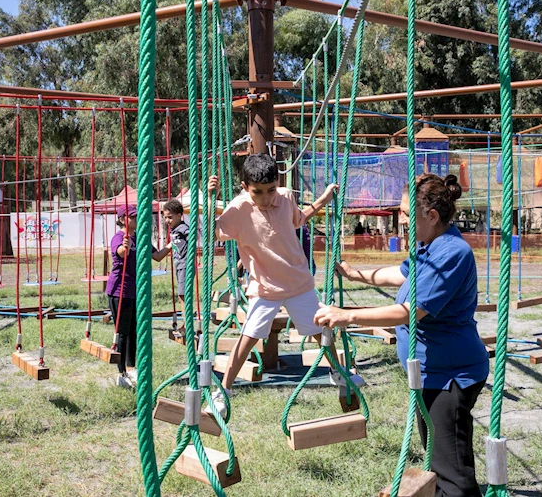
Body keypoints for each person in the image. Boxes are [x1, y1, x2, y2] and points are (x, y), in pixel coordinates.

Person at [315, 174, 489, 497]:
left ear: (432, 216)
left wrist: (347, 316)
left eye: (407, 215)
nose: (402, 222)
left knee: (452, 474)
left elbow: (410, 311)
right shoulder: (430, 246)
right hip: (432, 373)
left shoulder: (452, 253)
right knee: (439, 458)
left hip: (451, 376)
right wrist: (356, 274)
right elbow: (400, 274)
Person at [206, 153, 364, 417]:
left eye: (271, 190)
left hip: (298, 282)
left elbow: (300, 218)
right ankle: (223, 392)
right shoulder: (238, 208)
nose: (266, 199)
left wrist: (324, 199)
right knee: (247, 339)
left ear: (277, 183)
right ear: (245, 187)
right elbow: (214, 231)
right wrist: (212, 200)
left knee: (322, 330)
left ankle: (338, 375)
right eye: (258, 192)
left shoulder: (285, 198)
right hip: (264, 287)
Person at [106, 204, 170, 388]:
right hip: (119, 290)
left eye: (136, 216)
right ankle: (121, 372)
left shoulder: (141, 238)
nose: (136, 219)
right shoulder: (119, 237)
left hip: (135, 290)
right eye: (132, 217)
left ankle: (131, 367)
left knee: (134, 330)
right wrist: (124, 247)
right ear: (121, 219)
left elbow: (157, 256)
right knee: (123, 332)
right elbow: (120, 252)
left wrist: (171, 244)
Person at [162, 199, 189, 331]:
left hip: (185, 265)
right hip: (179, 265)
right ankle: (186, 322)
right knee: (181, 296)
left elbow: (192, 235)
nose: (167, 220)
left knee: (183, 295)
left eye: (170, 217)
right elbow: (160, 254)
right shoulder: (173, 231)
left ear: (179, 215)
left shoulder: (183, 228)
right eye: (165, 217)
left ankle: (187, 324)